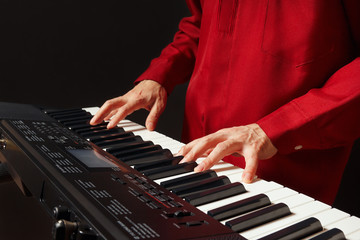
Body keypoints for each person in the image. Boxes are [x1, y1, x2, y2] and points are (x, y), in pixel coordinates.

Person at [90, 0, 360, 205]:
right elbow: (202, 23)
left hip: (283, 169)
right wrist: (160, 76)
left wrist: (278, 128)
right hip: (197, 155)